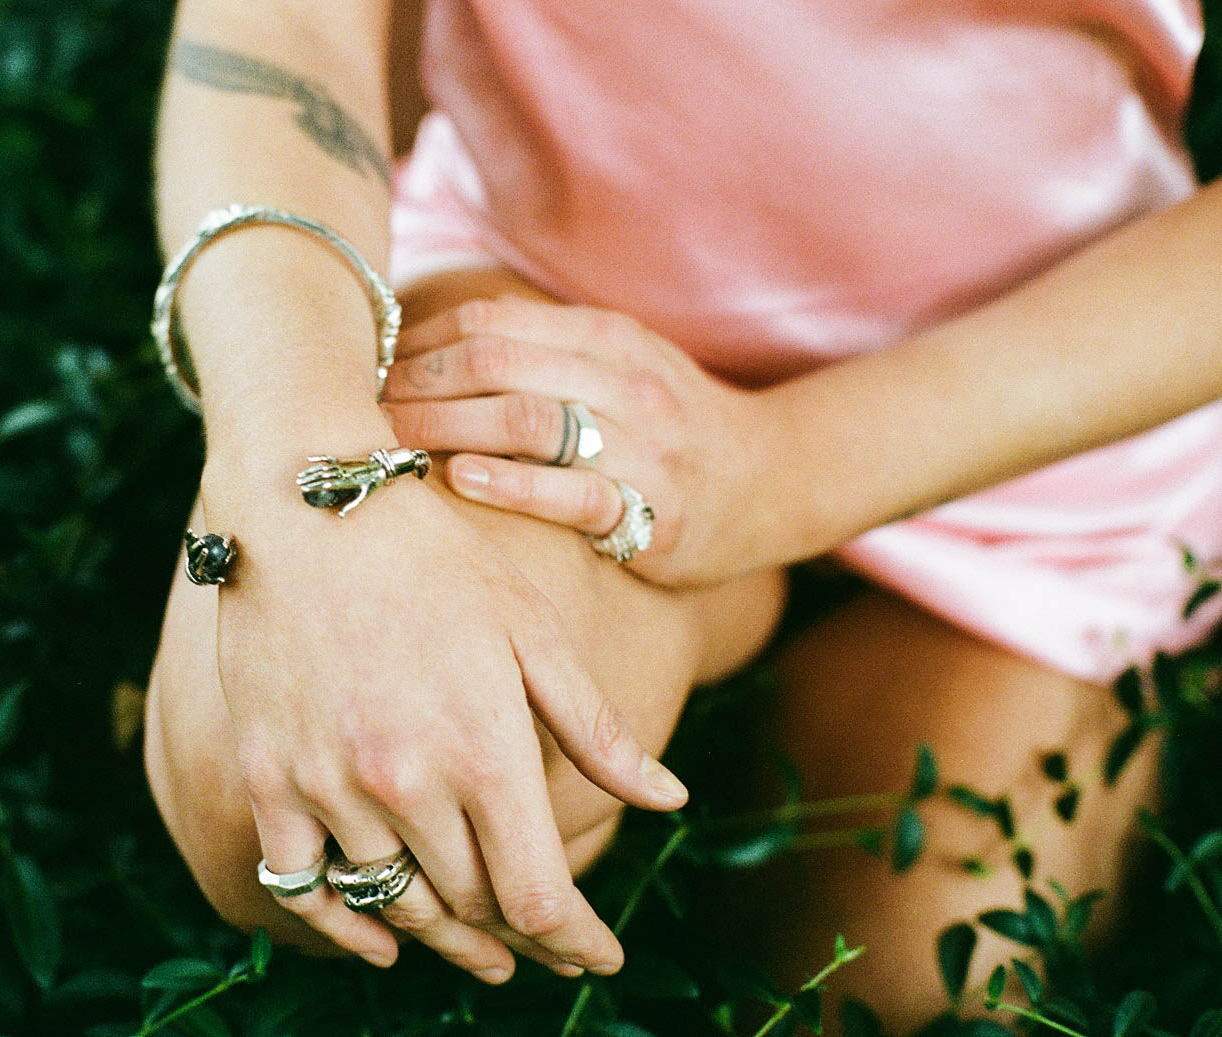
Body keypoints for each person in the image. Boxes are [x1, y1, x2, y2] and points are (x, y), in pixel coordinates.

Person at [143, 0, 1222, 1025]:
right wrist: (297, 450)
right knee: (267, 800)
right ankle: (705, 614)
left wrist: (780, 468)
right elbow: (282, 21)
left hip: (1030, 413)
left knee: (916, 992)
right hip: (548, 309)